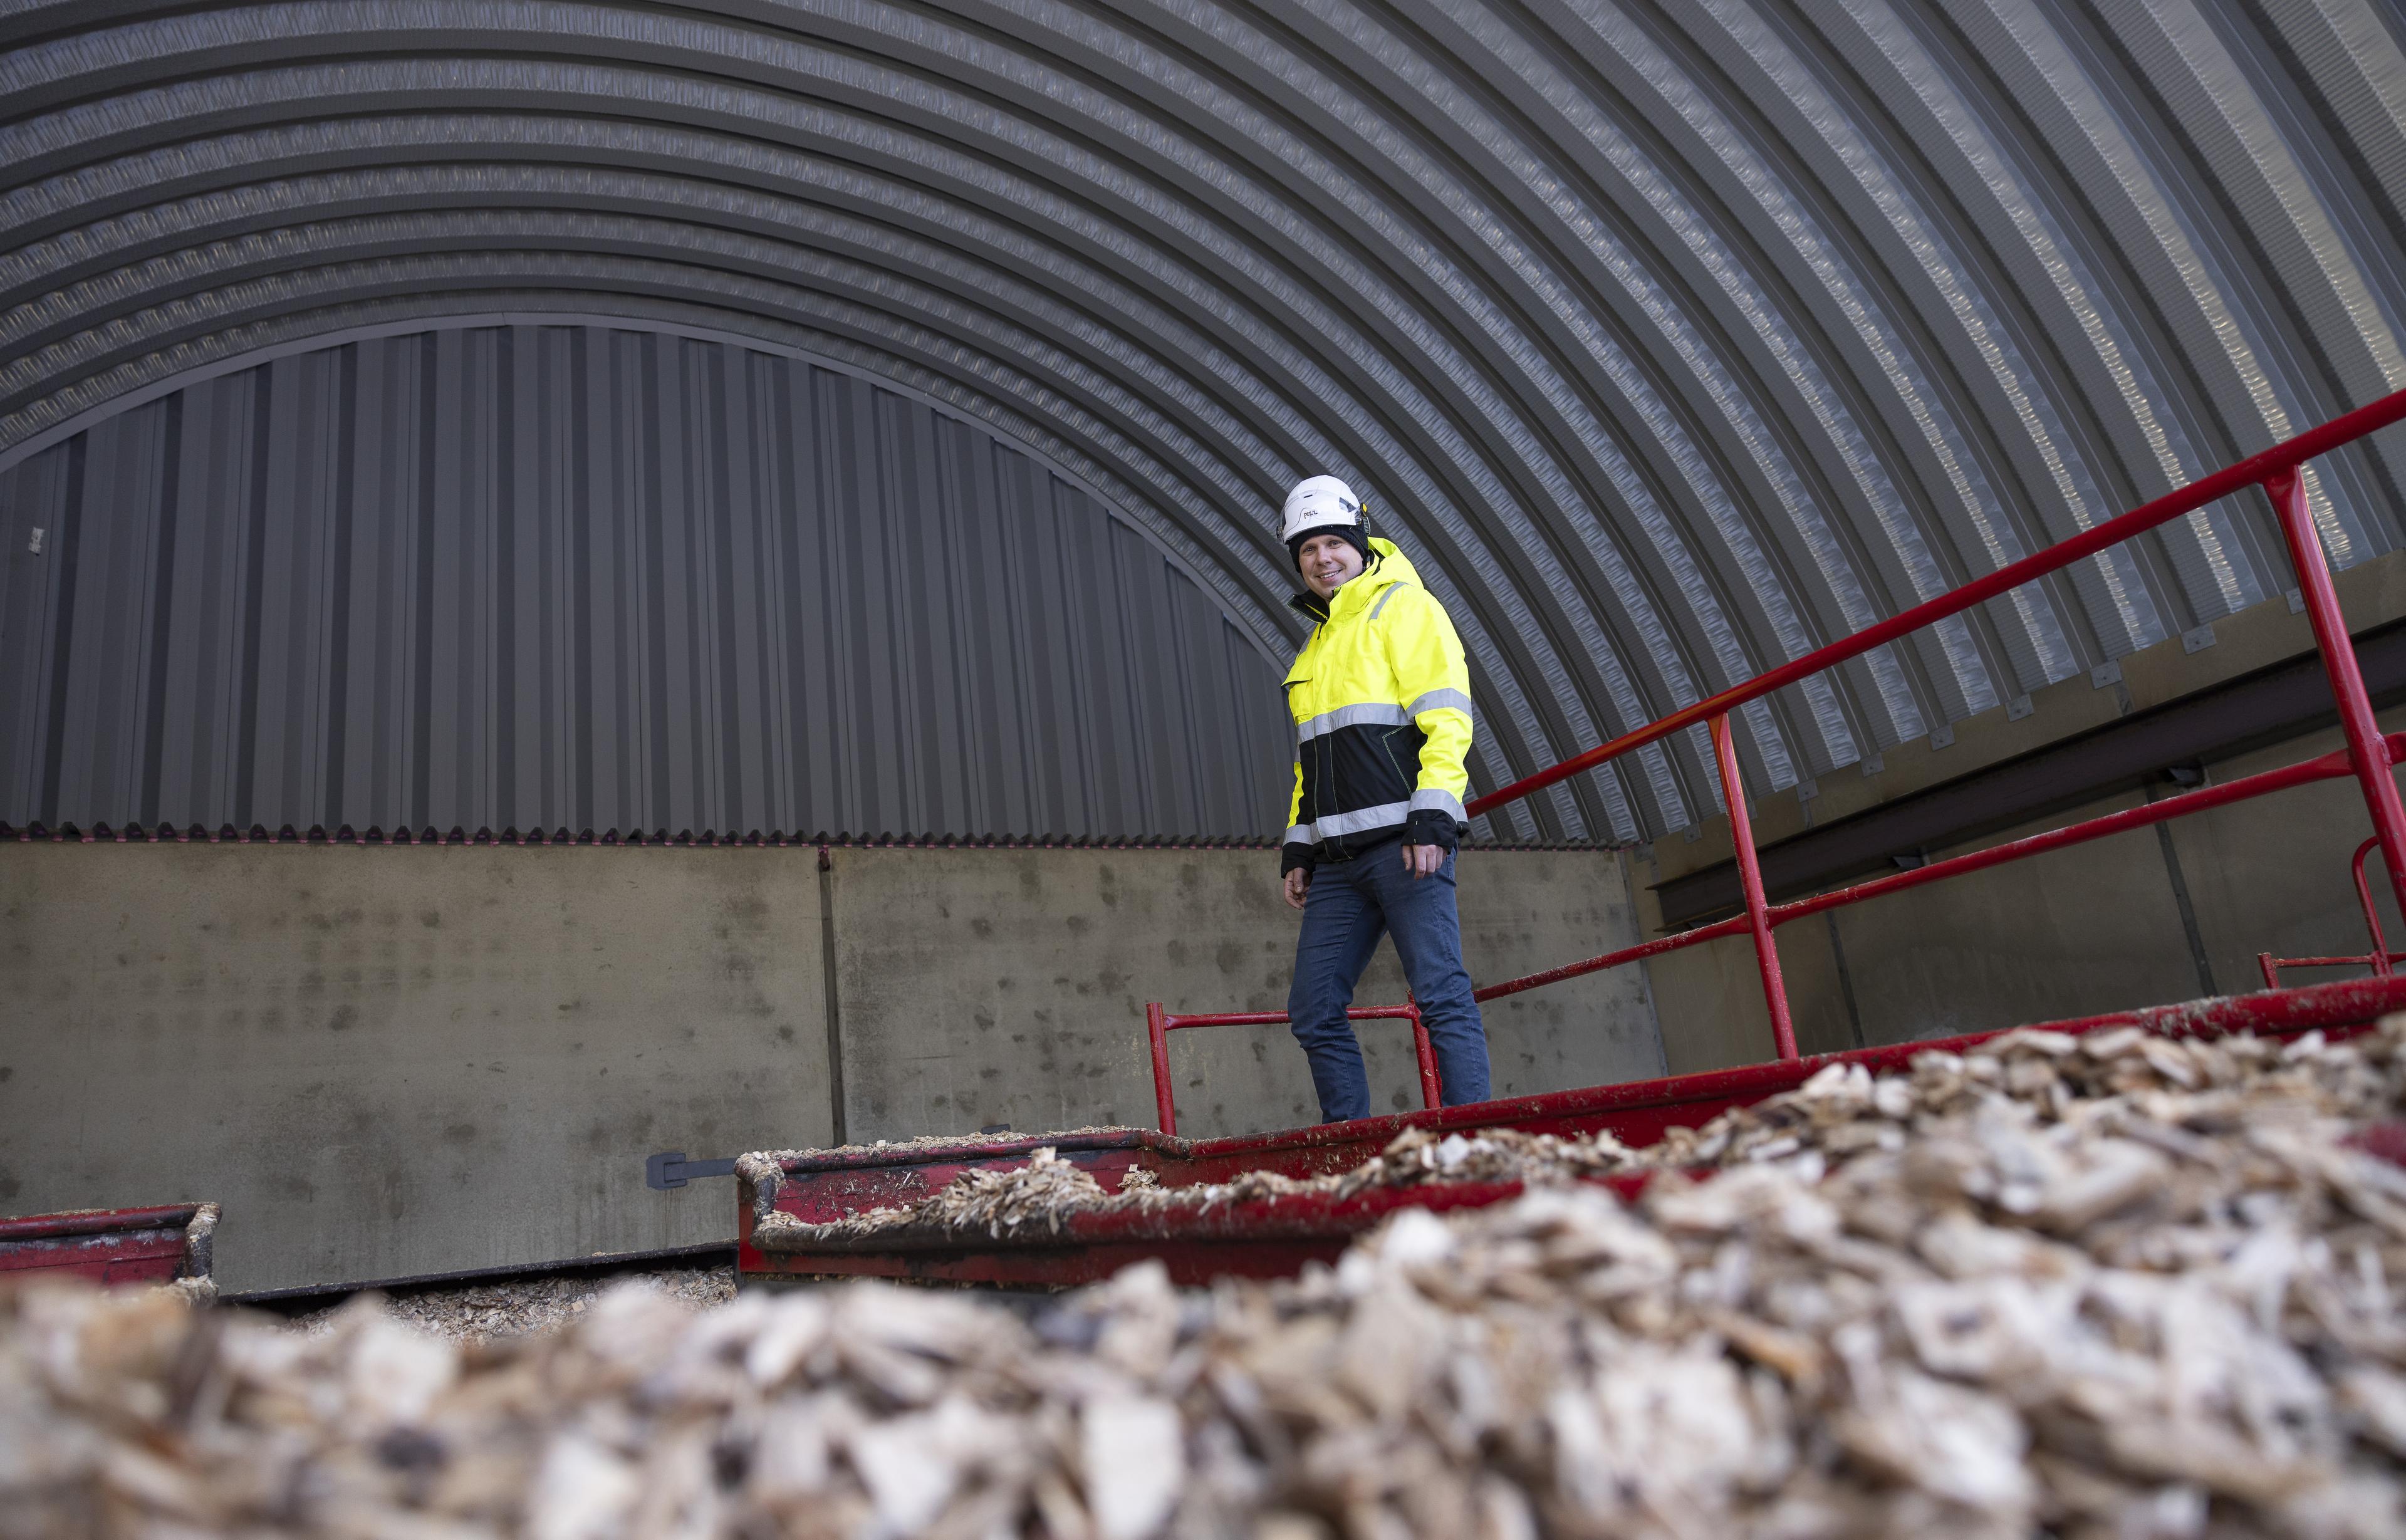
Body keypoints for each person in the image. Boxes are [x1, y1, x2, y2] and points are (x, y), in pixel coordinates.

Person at [1276, 474, 1491, 1122]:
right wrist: (1298, 843)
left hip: (1406, 845)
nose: (1323, 559)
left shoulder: (1404, 607)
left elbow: (1448, 717)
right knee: (1313, 1010)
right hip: (1339, 863)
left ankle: (1471, 1142)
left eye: (1335, 543)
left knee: (1440, 993)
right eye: (1308, 550)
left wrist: (1433, 813)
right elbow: (1311, 760)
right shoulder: (1315, 644)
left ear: (1361, 541)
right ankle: (1352, 1145)